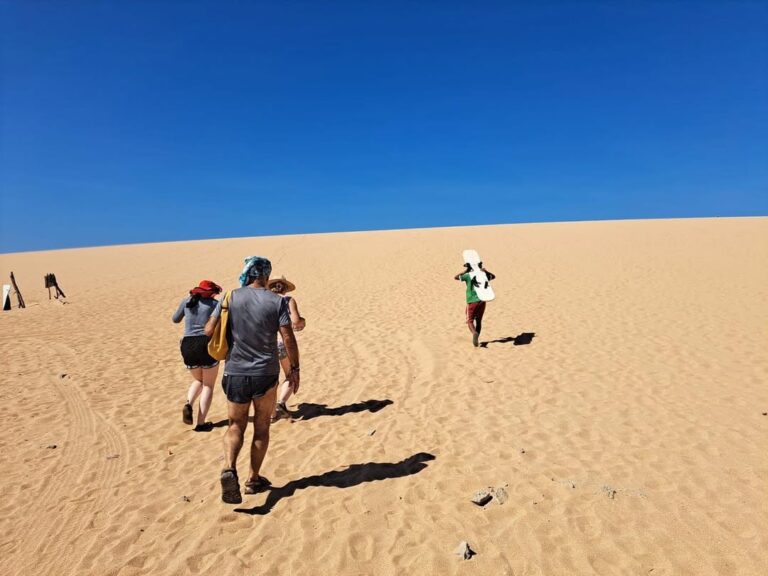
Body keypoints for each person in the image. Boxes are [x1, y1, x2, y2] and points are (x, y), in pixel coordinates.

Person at [205, 256, 300, 504]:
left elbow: (208, 331)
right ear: (267, 276)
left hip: (235, 371)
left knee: (235, 426)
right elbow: (288, 338)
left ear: (247, 273)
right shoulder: (277, 302)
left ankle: (229, 467)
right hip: (265, 374)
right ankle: (252, 479)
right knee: (261, 427)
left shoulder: (229, 297)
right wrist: (295, 368)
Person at [172, 280, 222, 432]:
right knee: (208, 384)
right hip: (206, 343)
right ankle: (201, 422)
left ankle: (189, 402)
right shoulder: (214, 304)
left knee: (198, 380)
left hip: (187, 344)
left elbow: (175, 319)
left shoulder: (186, 301)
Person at [267, 276, 306, 422]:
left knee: (270, 381)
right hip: (282, 343)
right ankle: (281, 402)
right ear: (284, 288)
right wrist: (303, 322)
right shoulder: (288, 300)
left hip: (265, 344)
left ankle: (271, 415)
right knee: (290, 374)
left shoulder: (264, 301)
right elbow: (296, 322)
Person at [455, 263, 496, 347]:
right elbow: (493, 276)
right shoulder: (484, 275)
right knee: (478, 321)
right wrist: (486, 271)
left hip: (472, 301)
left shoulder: (468, 275)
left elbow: (456, 277)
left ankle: (474, 333)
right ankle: (476, 339)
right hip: (482, 301)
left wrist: (466, 271)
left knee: (470, 321)